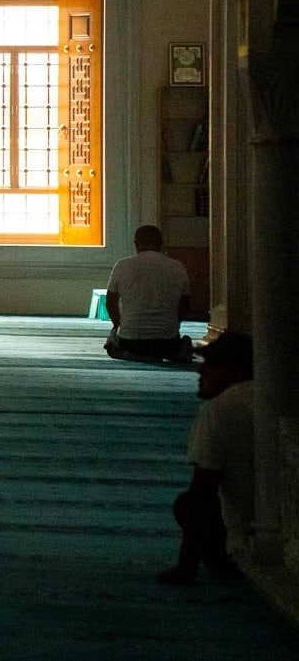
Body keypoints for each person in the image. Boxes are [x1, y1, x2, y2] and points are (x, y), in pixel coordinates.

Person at [158, 333, 255, 584]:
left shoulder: (221, 409)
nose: (200, 370)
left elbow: (202, 494)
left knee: (186, 504)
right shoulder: (277, 399)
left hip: (251, 544)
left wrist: (185, 567)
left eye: (210, 365)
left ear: (233, 371)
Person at [105, 225, 194, 363]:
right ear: (162, 244)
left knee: (111, 340)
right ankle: (174, 353)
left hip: (130, 341)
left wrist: (118, 325)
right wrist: (174, 324)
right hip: (168, 343)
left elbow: (110, 301)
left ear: (136, 244)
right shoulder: (178, 266)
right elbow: (185, 303)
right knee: (185, 341)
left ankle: (129, 354)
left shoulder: (122, 265)